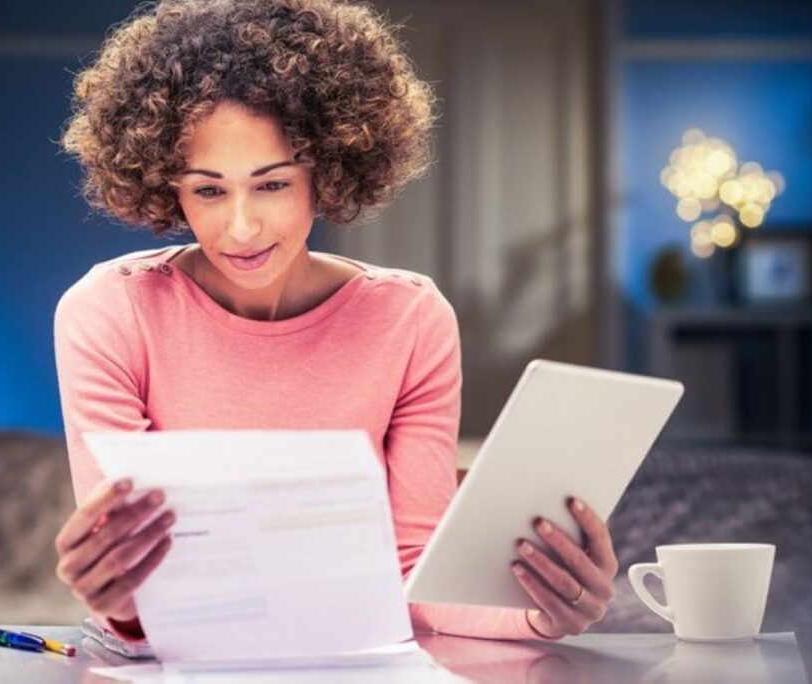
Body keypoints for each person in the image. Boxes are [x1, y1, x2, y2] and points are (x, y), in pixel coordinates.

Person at [52, 0, 618, 644]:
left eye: (272, 185)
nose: (240, 227)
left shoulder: (410, 319)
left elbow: (415, 574)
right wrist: (119, 601)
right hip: (170, 659)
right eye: (208, 190)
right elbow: (130, 582)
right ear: (167, 185)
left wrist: (539, 615)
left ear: (326, 170)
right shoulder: (110, 311)